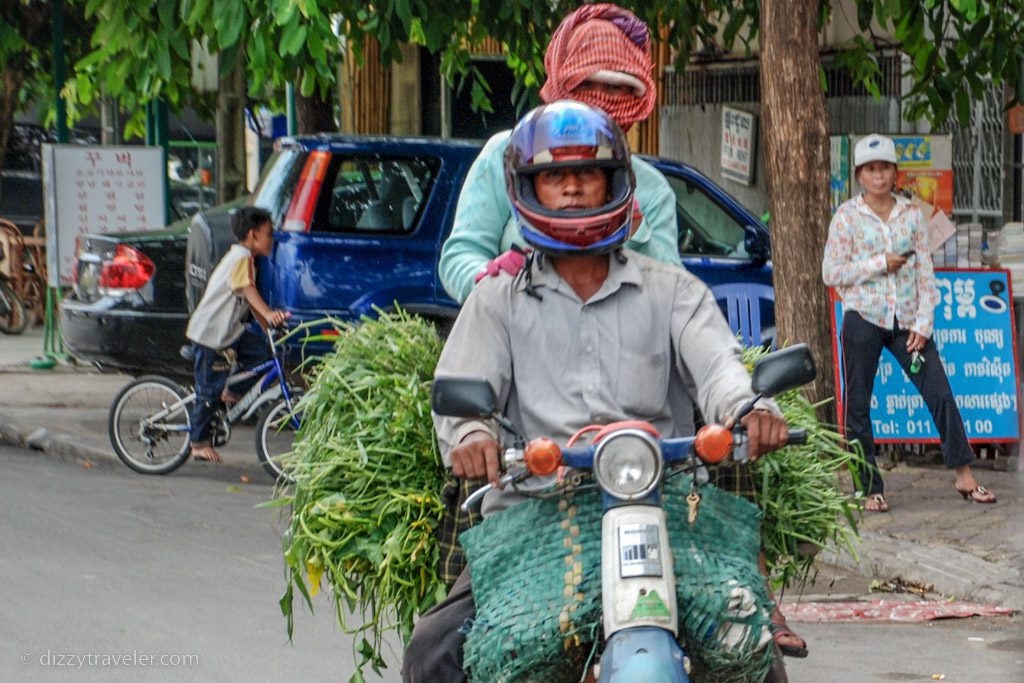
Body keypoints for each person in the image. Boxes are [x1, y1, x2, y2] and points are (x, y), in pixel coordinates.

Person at [402, 100, 791, 682]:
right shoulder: (497, 299)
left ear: (615, 182)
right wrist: (472, 435)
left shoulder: (672, 291)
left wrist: (749, 407)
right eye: (556, 177)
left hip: (666, 509)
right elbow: (465, 396)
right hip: (536, 514)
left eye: (588, 174)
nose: (575, 190)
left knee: (754, 651)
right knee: (432, 651)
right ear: (528, 190)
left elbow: (719, 368)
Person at [438, 2, 681, 305]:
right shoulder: (505, 156)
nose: (601, 99)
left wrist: (633, 230)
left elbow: (672, 294)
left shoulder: (653, 190)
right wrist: (489, 281)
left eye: (616, 88)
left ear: (634, 97)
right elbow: (459, 255)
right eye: (588, 83)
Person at [823, 133, 996, 511]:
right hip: (864, 317)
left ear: (895, 173)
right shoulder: (847, 217)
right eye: (871, 169)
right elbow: (830, 272)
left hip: (906, 320)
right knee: (858, 406)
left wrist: (923, 323)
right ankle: (869, 488)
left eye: (884, 168)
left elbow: (925, 273)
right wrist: (878, 263)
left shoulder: (911, 214)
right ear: (859, 176)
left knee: (938, 390)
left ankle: (964, 475)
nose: (879, 176)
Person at [185, 206, 289, 463]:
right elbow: (247, 290)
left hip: (229, 333)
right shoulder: (241, 257)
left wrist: (269, 330)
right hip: (212, 336)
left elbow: (251, 303)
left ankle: (232, 392)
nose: (271, 238)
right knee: (208, 391)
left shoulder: (247, 260)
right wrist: (270, 313)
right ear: (253, 235)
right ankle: (198, 443)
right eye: (268, 233)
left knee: (262, 352)